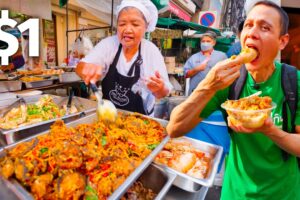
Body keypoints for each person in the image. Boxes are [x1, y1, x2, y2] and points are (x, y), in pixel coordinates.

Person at [167, 1, 300, 200]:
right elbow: (174, 129)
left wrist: (270, 130)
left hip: (284, 193)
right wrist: (208, 84)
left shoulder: (293, 82)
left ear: (282, 41)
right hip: (235, 193)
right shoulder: (230, 81)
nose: (252, 33)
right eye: (248, 25)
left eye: (264, 27)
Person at [76, 0, 172, 116]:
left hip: (141, 121)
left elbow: (163, 93)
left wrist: (159, 88)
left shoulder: (151, 51)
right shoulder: (108, 44)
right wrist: (85, 69)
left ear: (146, 26)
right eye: (122, 24)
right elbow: (80, 67)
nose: (127, 30)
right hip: (109, 116)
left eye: (135, 24)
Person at [184, 30, 227, 95]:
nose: (205, 43)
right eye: (203, 41)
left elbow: (228, 72)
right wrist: (197, 69)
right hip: (196, 92)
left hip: (214, 92)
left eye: (208, 41)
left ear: (214, 43)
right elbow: (186, 75)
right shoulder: (194, 57)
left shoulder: (221, 56)